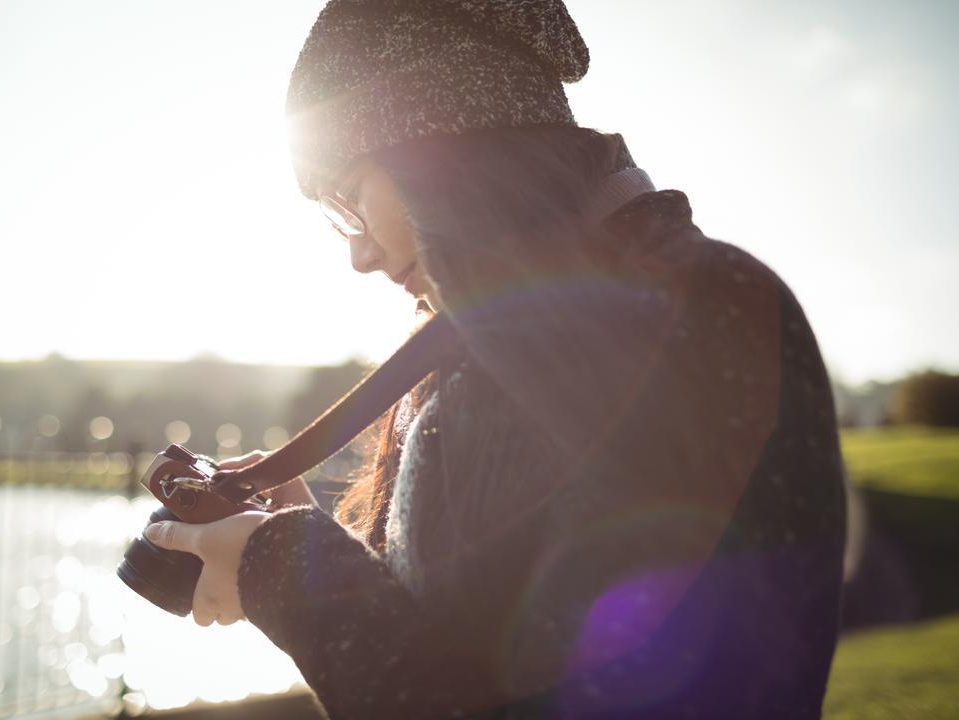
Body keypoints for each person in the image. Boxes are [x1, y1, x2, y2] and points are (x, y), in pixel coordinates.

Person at [144, 1, 847, 718]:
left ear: (438, 151)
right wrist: (311, 549)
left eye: (350, 201)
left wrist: (280, 570)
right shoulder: (490, 344)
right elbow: (475, 633)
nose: (357, 255)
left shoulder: (699, 309)